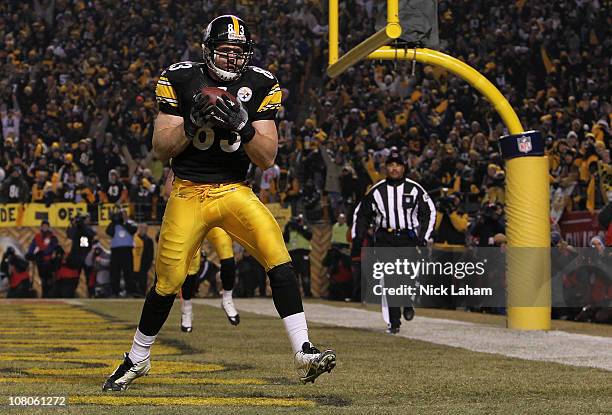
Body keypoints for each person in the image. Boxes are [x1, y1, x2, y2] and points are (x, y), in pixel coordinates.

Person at [103, 15, 335, 392]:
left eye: (239, 52)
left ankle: (303, 351)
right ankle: (138, 357)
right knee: (169, 281)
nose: (232, 59)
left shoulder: (261, 83)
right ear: (208, 50)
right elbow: (161, 148)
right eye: (225, 51)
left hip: (234, 190)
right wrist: (191, 125)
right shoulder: (180, 78)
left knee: (278, 254)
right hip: (188, 190)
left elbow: (267, 157)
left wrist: (244, 126)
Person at [351, 151, 436, 334]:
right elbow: (361, 214)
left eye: (398, 165)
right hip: (385, 239)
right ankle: (394, 321)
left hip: (407, 238)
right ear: (386, 168)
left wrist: (424, 237)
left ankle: (407, 301)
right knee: (390, 280)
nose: (394, 168)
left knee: (406, 276)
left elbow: (429, 212)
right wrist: (357, 238)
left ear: (403, 167)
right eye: (391, 165)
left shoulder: (414, 189)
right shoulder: (377, 190)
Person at [179, 227, 239, 332]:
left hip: (213, 218)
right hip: (193, 220)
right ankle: (187, 310)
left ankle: (227, 299)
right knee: (191, 268)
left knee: (228, 257)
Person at [106, 209, 138, 297]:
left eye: (123, 214)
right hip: (116, 251)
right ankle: (114, 292)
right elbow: (109, 232)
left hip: (127, 250)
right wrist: (114, 221)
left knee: (128, 272)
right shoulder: (114, 224)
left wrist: (123, 222)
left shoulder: (131, 223)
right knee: (115, 272)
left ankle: (130, 291)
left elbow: (133, 230)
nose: (121, 216)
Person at [26, 220, 59, 298]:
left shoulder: (52, 237)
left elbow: (54, 247)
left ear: (48, 227)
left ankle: (50, 294)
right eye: (43, 226)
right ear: (41, 227)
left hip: (49, 261)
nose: (44, 227)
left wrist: (45, 251)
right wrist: (30, 254)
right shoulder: (37, 236)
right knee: (43, 279)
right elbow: (32, 246)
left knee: (49, 279)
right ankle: (44, 294)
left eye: (46, 226)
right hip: (40, 261)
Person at [283, 214, 313, 297]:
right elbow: (285, 239)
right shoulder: (290, 229)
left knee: (305, 275)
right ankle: (295, 294)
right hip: (292, 254)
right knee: (294, 276)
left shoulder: (305, 228)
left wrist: (299, 227)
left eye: (299, 220)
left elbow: (309, 235)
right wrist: (287, 227)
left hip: (304, 254)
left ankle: (307, 293)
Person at [133, 223, 155, 297]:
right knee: (134, 278)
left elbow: (151, 253)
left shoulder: (149, 240)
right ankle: (135, 292)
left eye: (145, 228)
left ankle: (142, 293)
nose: (143, 230)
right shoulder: (134, 239)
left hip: (144, 263)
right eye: (141, 228)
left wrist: (149, 262)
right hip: (135, 262)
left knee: (143, 279)